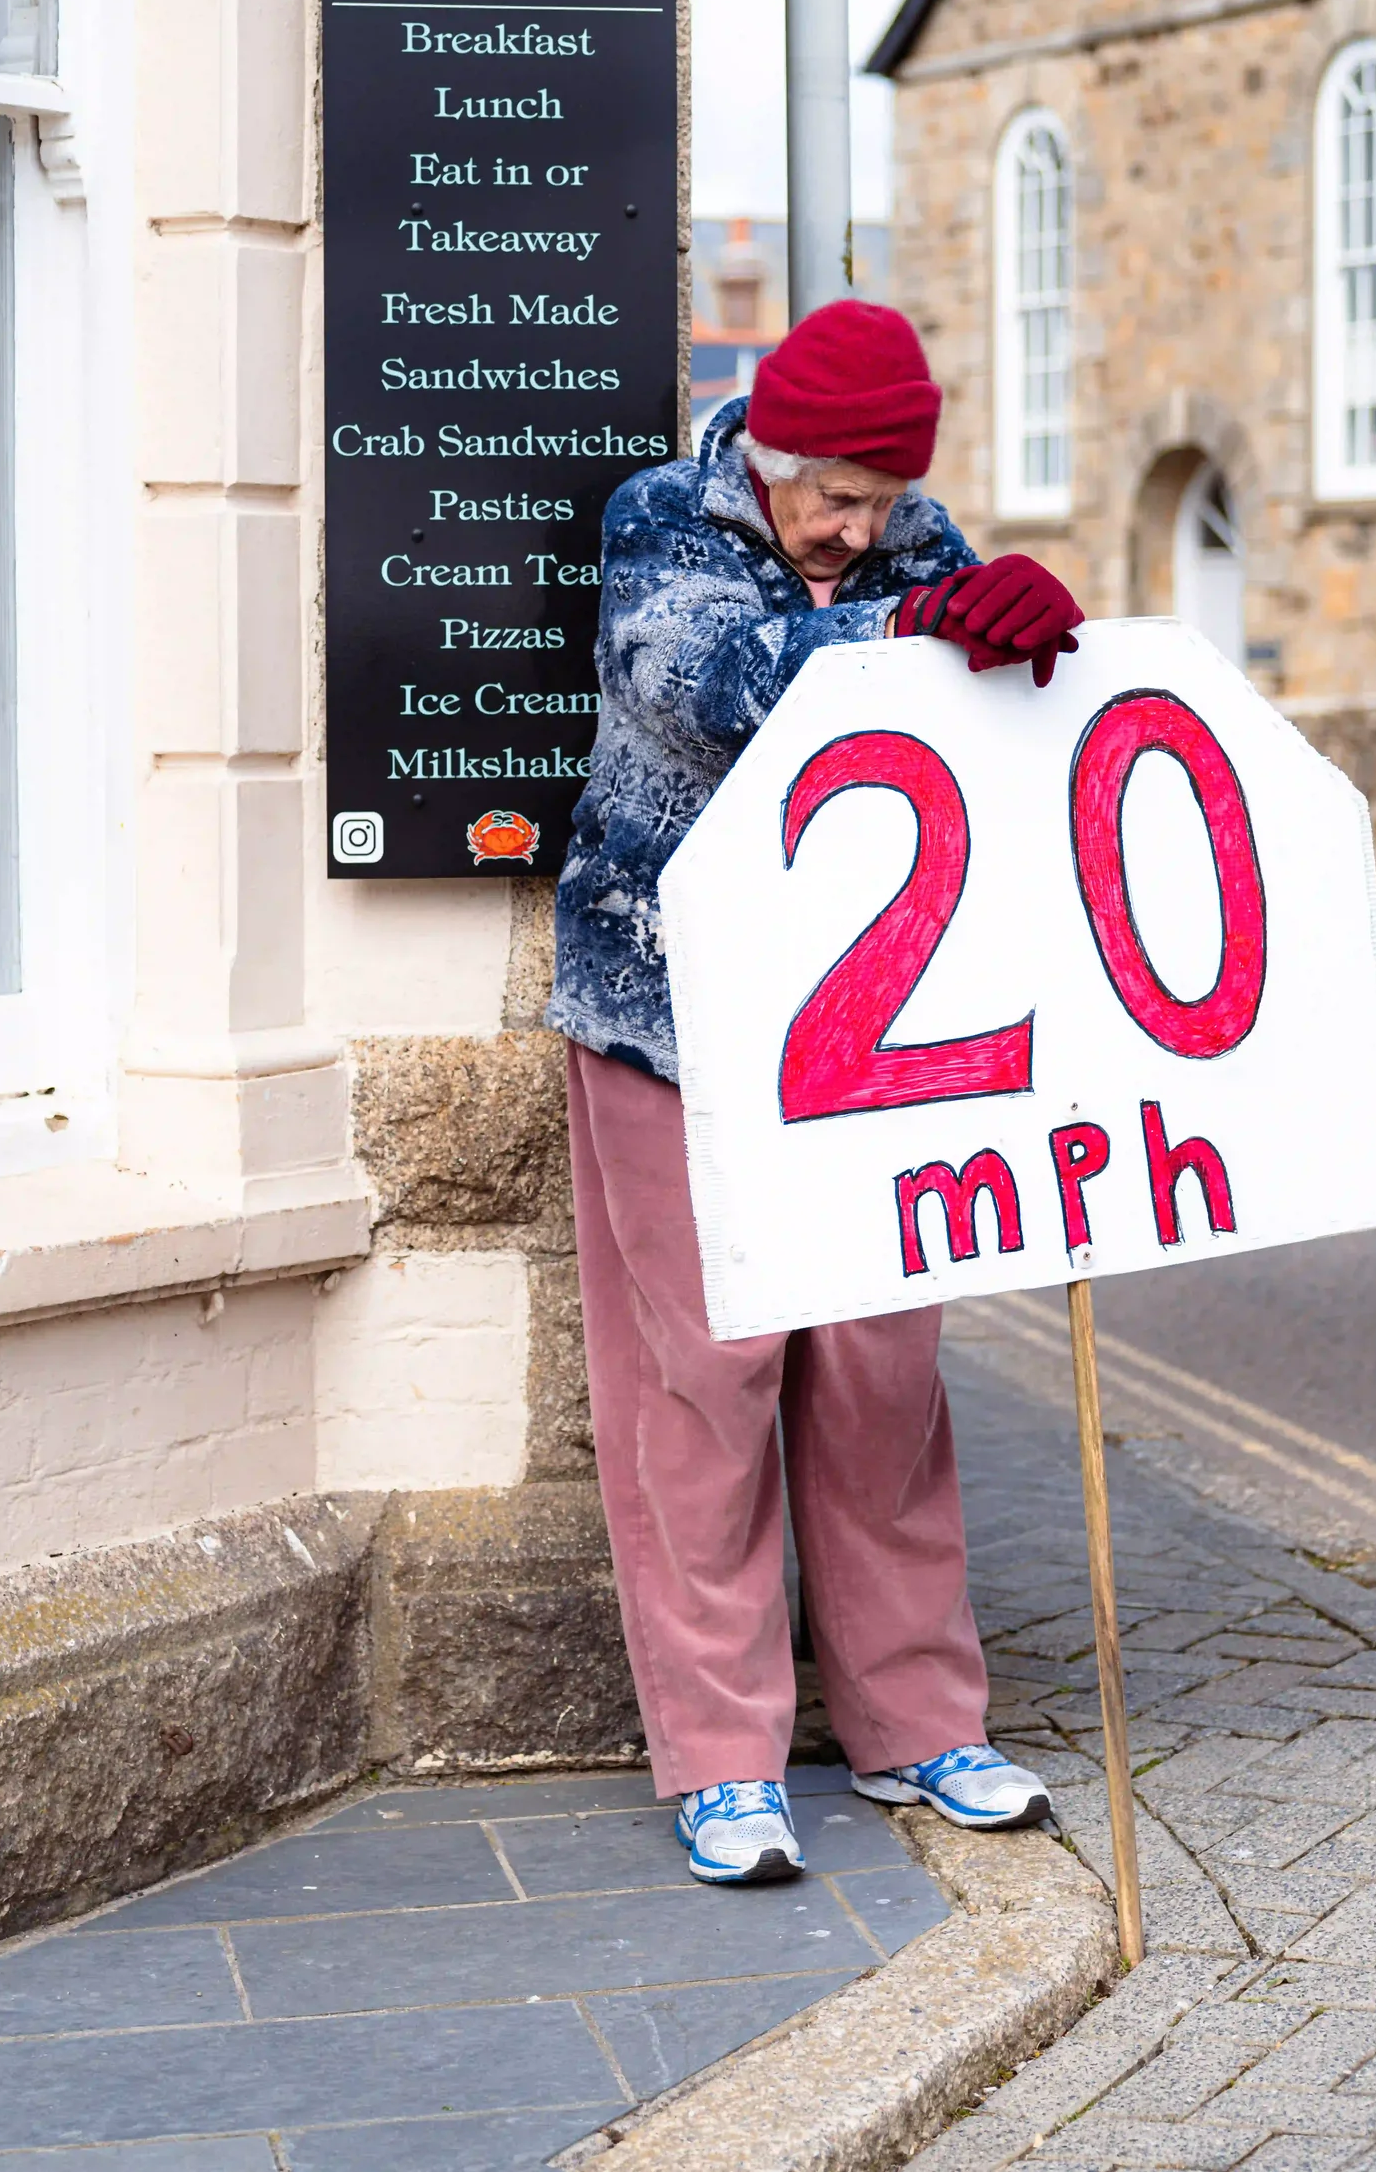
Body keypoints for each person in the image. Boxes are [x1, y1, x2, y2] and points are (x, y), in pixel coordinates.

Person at [549, 297, 1087, 1885]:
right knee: (703, 1385)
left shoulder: (914, 540)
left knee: (880, 1381)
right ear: (768, 456)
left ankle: (920, 1728)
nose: (860, 528)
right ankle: (723, 1760)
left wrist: (1022, 630)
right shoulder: (663, 519)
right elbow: (717, 686)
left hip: (868, 1043)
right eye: (833, 497)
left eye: (884, 500)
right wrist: (926, 640)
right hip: (672, 1020)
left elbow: (993, 718)